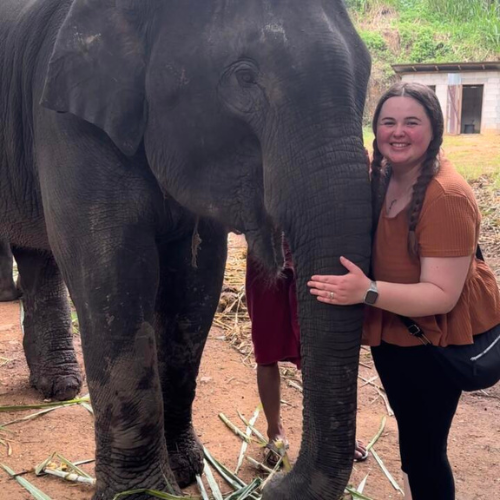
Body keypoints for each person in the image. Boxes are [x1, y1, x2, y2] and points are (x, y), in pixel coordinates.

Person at [307, 82, 500, 499]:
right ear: (375, 130)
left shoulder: (447, 196)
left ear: (434, 129)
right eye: (388, 122)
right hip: (394, 336)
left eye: (412, 122)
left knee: (425, 452)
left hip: (431, 342)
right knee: (415, 444)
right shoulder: (384, 176)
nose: (398, 131)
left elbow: (440, 295)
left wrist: (366, 291)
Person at [246, 237, 368, 465]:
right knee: (266, 350)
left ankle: (334, 432)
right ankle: (275, 431)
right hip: (267, 257)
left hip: (315, 255)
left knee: (320, 350)